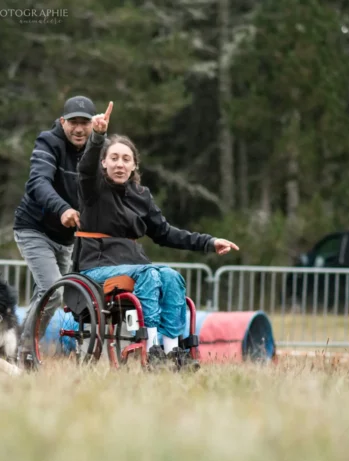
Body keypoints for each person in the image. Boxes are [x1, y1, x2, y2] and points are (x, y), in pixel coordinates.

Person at [75, 102, 239, 369]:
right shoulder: (93, 190)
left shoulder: (142, 196)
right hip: (97, 268)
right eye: (113, 158)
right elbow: (85, 168)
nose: (119, 164)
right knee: (149, 273)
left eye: (126, 159)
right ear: (103, 163)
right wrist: (97, 137)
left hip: (134, 267)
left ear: (134, 165)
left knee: (171, 275)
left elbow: (166, 233)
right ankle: (151, 346)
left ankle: (172, 350)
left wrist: (209, 242)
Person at [13, 96, 96, 339]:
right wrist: (63, 209)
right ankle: (23, 350)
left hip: (68, 238)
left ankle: (18, 348)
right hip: (34, 229)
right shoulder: (48, 141)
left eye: (85, 123)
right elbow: (38, 182)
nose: (79, 129)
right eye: (73, 122)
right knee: (53, 292)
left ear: (94, 125)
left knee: (49, 294)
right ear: (62, 122)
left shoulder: (99, 149)